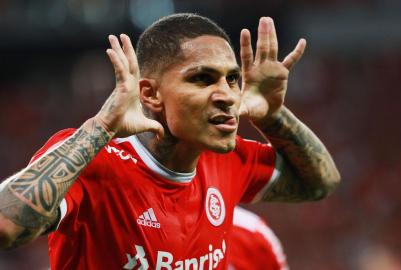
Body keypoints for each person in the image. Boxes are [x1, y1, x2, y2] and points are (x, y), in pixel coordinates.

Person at [0, 13, 340, 269]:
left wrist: (272, 116)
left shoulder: (227, 160)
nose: (226, 94)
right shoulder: (95, 160)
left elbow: (321, 184)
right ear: (150, 94)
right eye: (202, 79)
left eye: (233, 79)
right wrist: (101, 127)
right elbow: (5, 227)